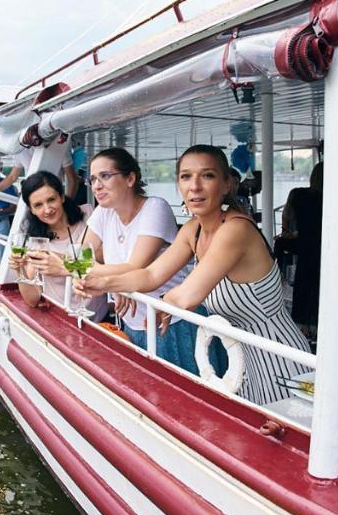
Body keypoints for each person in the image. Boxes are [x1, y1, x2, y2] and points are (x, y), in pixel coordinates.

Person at [81, 145, 312, 404]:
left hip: (277, 357)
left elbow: (188, 295)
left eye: (208, 176)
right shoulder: (193, 230)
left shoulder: (236, 230)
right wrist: (101, 283)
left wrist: (162, 299)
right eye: (186, 177)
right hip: (242, 360)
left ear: (227, 184)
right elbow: (149, 275)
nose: (195, 186)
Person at [74, 147, 203, 374]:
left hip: (169, 321)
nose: (96, 186)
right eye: (92, 179)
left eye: (105, 176)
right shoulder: (104, 211)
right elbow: (79, 257)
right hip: (133, 319)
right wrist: (97, 276)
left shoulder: (155, 207)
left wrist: (98, 274)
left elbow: (135, 267)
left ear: (130, 178)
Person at [7, 171, 108, 319]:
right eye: (38, 205)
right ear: (32, 210)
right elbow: (32, 300)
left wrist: (58, 260)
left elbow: (105, 257)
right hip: (64, 319)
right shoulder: (34, 241)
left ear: (61, 197)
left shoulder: (89, 215)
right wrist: (19, 269)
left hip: (100, 316)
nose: (47, 209)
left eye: (51, 200)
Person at [280, 162, 323, 336]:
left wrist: (289, 234)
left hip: (305, 246)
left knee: (303, 284)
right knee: (319, 287)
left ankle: (302, 325)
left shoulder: (298, 195)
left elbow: (287, 217)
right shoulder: (333, 197)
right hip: (324, 247)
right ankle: (317, 325)